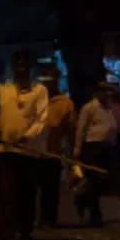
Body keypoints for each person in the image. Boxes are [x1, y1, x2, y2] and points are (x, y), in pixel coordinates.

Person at [0, 52, 49, 240]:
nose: (21, 69)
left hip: (28, 153)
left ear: (31, 68)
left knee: (27, 195)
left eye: (25, 65)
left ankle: (25, 233)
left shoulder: (39, 91)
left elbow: (42, 119)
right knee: (6, 194)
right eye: (17, 65)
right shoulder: (1, 89)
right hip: (4, 152)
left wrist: (26, 137)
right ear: (13, 68)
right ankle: (5, 238)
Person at [73, 83, 118, 226]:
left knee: (103, 181)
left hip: (106, 148)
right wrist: (77, 149)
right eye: (104, 92)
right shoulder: (89, 108)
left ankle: (83, 199)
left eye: (108, 93)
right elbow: (81, 129)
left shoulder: (108, 109)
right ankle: (95, 214)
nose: (107, 95)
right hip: (92, 147)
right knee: (94, 180)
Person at [40, 66, 75, 227]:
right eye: (45, 80)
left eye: (51, 80)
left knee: (50, 190)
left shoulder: (65, 104)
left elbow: (70, 131)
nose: (47, 84)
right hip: (31, 152)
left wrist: (71, 156)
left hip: (52, 154)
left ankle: (48, 219)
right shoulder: (34, 99)